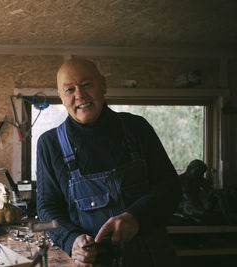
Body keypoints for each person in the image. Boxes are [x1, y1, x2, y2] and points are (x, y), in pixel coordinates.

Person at [36, 58, 182, 266]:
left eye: (87, 84)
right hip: (95, 261)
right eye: (69, 90)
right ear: (61, 96)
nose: (80, 95)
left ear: (103, 85)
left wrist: (136, 217)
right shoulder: (49, 145)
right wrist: (72, 240)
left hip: (152, 257)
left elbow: (171, 186)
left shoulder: (137, 128)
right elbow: (46, 209)